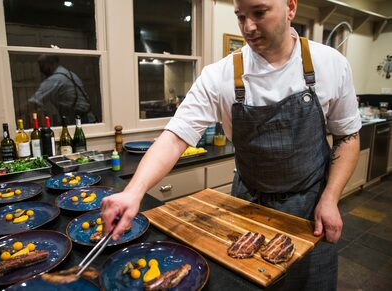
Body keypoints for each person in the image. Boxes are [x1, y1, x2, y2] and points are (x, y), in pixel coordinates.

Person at [101, 0, 361, 289]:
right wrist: (133, 193)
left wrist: (331, 198)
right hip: (247, 204)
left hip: (310, 208)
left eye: (259, 13)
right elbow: (175, 137)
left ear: (290, 7)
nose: (248, 27)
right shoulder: (220, 75)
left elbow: (347, 137)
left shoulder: (330, 64)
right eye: (241, 16)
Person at [28, 54, 97, 124]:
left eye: (42, 66)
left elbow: (33, 102)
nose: (40, 69)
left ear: (51, 63)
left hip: (80, 121)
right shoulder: (69, 73)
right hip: (87, 119)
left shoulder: (55, 79)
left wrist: (18, 112)